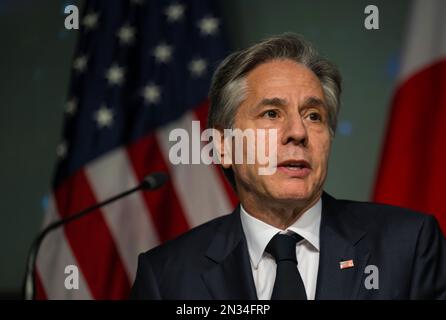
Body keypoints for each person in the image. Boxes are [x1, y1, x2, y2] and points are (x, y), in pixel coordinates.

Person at [130, 33, 446, 300]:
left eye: (313, 116)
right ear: (224, 147)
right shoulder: (167, 277)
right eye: (271, 113)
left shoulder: (409, 245)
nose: (298, 132)